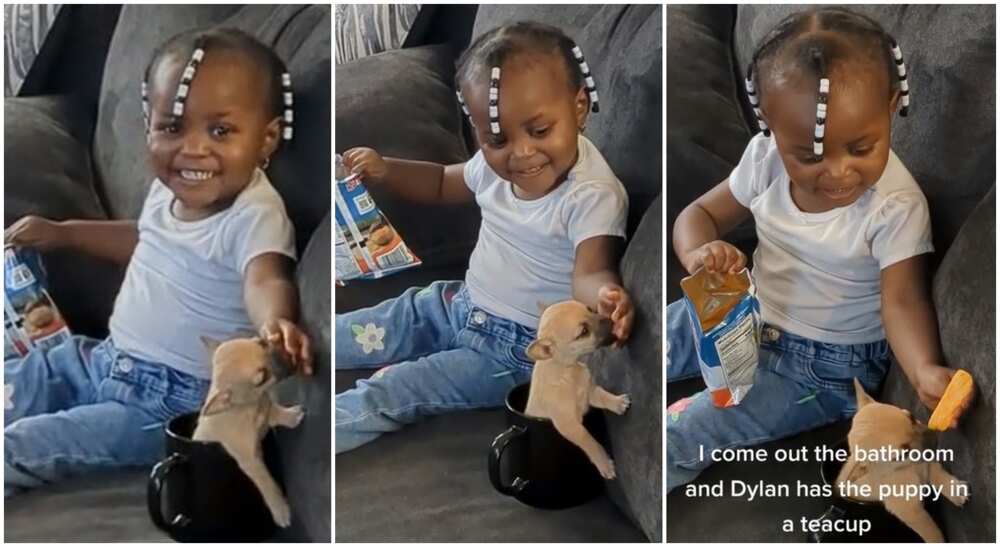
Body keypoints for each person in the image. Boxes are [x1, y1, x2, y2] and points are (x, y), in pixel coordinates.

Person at [4, 28, 312, 496]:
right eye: (172, 127)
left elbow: (264, 277)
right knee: (21, 376)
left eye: (220, 130)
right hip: (103, 361)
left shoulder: (255, 214)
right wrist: (64, 233)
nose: (192, 148)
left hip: (166, 406)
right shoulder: (169, 190)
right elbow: (147, 240)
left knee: (21, 446)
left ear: (266, 139)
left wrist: (274, 323)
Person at [667, 8, 949, 491]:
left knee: (688, 431)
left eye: (860, 148)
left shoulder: (896, 207)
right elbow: (698, 216)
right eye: (809, 155)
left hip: (825, 369)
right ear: (771, 129)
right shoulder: (764, 161)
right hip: (743, 315)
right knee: (633, 342)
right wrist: (699, 253)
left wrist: (922, 367)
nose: (837, 172)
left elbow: (902, 298)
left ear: (892, 105)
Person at [336, 22, 633, 454]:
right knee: (363, 328)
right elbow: (440, 182)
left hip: (510, 354)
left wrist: (605, 295)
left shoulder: (592, 195)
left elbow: (592, 269)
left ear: (580, 107)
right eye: (497, 138)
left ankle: (301, 437)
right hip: (455, 304)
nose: (522, 153)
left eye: (540, 131)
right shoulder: (495, 169)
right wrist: (387, 169)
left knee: (394, 390)